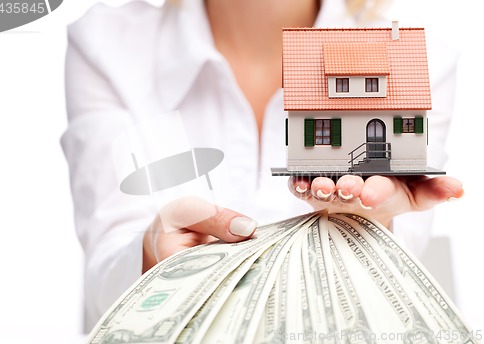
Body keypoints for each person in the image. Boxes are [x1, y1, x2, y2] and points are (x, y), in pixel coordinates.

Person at [62, 0, 463, 331]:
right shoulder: (105, 46)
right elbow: (107, 272)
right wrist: (149, 256)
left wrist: (379, 224)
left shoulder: (419, 53)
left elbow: (388, 301)